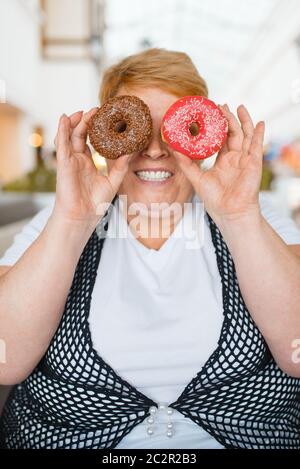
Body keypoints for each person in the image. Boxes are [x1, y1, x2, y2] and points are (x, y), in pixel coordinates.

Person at [0, 48, 300, 449]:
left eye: (175, 130)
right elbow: (6, 361)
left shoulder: (261, 221)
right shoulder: (55, 226)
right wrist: (73, 221)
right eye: (139, 131)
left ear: (204, 138)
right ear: (103, 138)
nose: (156, 150)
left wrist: (240, 218)